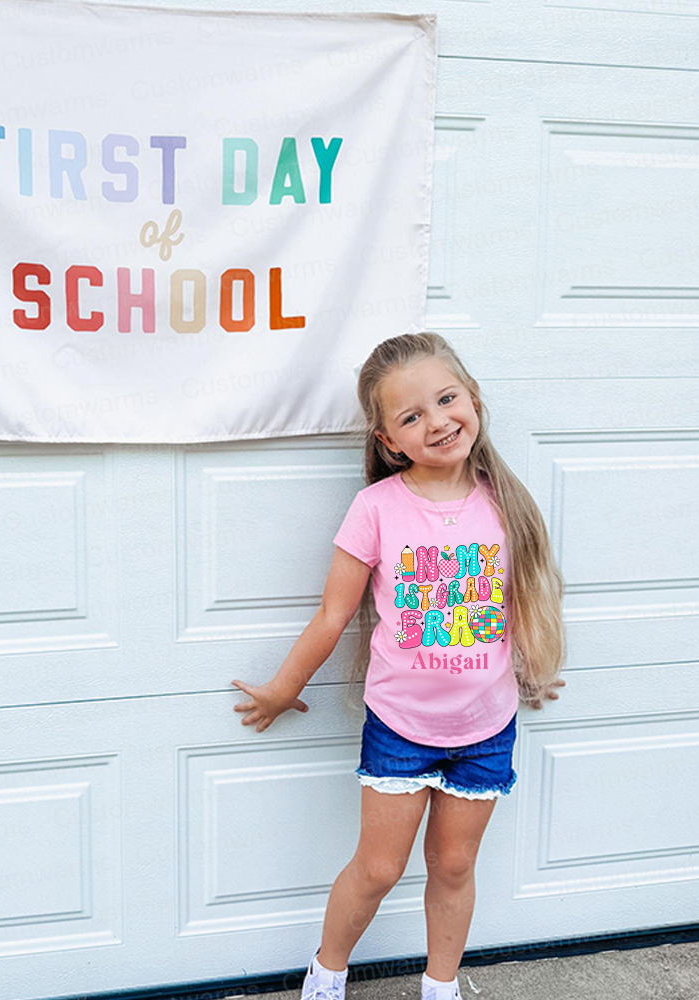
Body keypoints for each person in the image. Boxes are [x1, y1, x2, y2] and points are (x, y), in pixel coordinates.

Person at [230, 332, 567, 1000]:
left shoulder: (506, 501)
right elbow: (333, 614)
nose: (437, 420)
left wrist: (533, 663)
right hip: (401, 727)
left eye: (447, 399)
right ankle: (326, 975)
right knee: (379, 868)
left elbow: (521, 593)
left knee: (451, 867)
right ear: (389, 441)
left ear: (472, 397)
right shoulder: (376, 509)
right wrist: (280, 689)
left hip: (485, 727)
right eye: (412, 416)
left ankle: (440, 987)